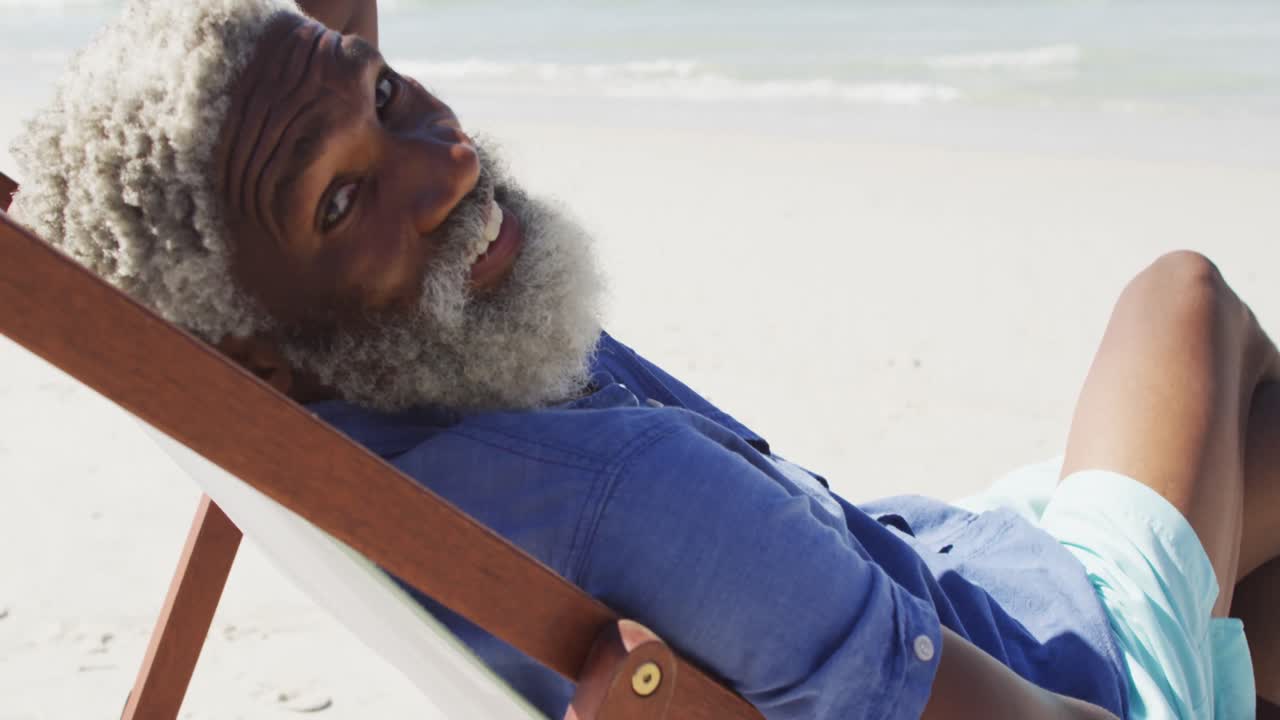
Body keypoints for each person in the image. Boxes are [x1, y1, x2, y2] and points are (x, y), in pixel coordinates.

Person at [7, 1, 1278, 718]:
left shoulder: (346, 421)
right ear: (251, 348)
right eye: (342, 203)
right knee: (1181, 297)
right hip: (1062, 666)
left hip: (936, 570)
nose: (448, 163)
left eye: (387, 94)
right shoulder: (628, 498)